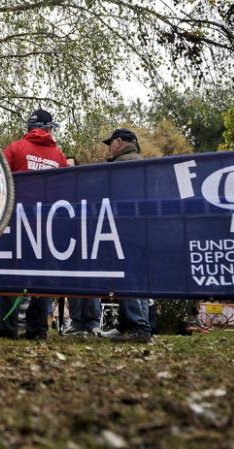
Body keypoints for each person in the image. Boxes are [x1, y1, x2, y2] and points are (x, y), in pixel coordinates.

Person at [0, 109, 68, 340]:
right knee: (40, 276)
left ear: (30, 127)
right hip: (46, 225)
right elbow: (66, 188)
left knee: (9, 273)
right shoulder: (59, 156)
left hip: (16, 221)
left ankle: (8, 327)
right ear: (49, 128)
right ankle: (38, 329)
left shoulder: (16, 148)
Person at [98, 127, 153, 343]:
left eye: (110, 143)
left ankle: (137, 327)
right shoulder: (141, 162)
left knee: (126, 276)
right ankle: (132, 325)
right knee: (136, 279)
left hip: (125, 230)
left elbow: (110, 194)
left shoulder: (122, 164)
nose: (109, 147)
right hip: (141, 230)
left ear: (119, 142)